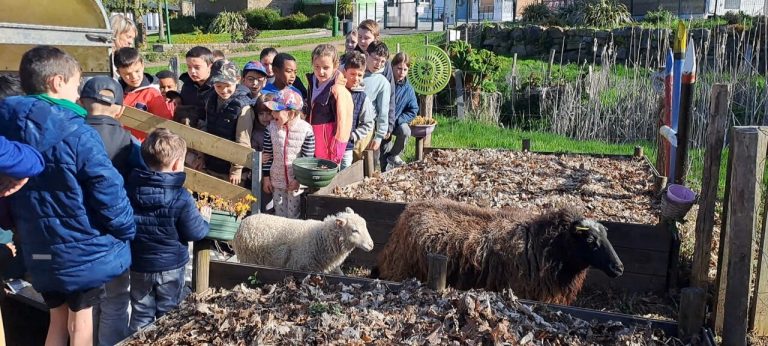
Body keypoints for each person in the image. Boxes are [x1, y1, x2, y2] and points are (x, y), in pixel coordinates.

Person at [0, 45, 135, 346]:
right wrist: (127, 228)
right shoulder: (78, 133)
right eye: (76, 86)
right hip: (80, 250)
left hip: (37, 248)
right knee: (81, 322)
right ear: (57, 82)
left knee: (56, 320)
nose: (78, 95)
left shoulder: (6, 129)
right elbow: (106, 189)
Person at [79, 76, 144, 346]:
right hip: (114, 232)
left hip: (77, 233)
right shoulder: (128, 143)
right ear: (119, 109)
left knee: (84, 303)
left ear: (82, 103)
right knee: (116, 299)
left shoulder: (69, 136)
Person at [126, 128, 210, 334]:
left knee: (141, 313)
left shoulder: (130, 189)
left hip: (139, 263)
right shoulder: (181, 196)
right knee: (169, 313)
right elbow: (196, 232)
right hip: (171, 265)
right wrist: (205, 219)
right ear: (176, 164)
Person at [262, 89, 315, 219]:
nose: (272, 114)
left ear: (290, 113)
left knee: (294, 216)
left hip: (295, 183)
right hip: (277, 181)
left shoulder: (306, 130)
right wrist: (266, 178)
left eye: (277, 111)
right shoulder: (271, 128)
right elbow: (267, 155)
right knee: (279, 216)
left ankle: (293, 240)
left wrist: (298, 180)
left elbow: (307, 160)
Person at [204, 60, 255, 185]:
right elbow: (206, 127)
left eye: (228, 85)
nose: (224, 90)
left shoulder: (243, 108)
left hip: (231, 168)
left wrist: (236, 169)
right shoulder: (211, 100)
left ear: (237, 80)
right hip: (212, 161)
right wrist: (201, 156)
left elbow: (243, 141)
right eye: (218, 86)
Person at [305, 44, 353, 165]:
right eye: (317, 67)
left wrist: (336, 152)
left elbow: (344, 123)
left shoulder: (338, 90)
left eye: (326, 67)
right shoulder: (312, 82)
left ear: (335, 66)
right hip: (313, 141)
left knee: (327, 178)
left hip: (329, 146)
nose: (320, 71)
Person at [114, 47, 173, 140]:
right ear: (118, 73)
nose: (134, 77)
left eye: (137, 71)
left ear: (142, 65)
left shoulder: (152, 94)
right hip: (120, 143)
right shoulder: (115, 92)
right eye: (127, 74)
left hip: (143, 147)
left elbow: (165, 124)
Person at [381, 52, 419, 170]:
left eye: (405, 69)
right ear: (392, 66)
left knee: (405, 130)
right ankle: (383, 166)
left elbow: (413, 109)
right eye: (398, 68)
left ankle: (394, 154)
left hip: (396, 122)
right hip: (382, 123)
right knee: (382, 153)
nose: (401, 72)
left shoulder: (408, 90)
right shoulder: (384, 81)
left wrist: (399, 120)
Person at [339, 51, 375, 170]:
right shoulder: (336, 91)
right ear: (345, 72)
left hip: (347, 146)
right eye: (352, 74)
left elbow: (368, 123)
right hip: (331, 144)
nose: (356, 78)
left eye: (359, 75)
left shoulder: (362, 98)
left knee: (344, 173)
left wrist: (354, 136)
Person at [362, 41, 392, 169]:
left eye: (382, 62)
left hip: (365, 127)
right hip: (347, 124)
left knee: (365, 164)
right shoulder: (354, 71)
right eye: (375, 59)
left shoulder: (383, 83)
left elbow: (383, 112)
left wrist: (379, 136)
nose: (378, 64)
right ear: (366, 55)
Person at [179, 46, 214, 117]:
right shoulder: (187, 86)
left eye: (197, 67)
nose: (192, 71)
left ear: (210, 66)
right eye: (189, 67)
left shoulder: (218, 87)